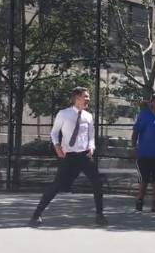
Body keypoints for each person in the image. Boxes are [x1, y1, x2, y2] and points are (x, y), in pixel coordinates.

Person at [30, 87, 107, 227]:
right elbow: (54, 133)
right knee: (57, 185)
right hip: (69, 156)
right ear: (77, 98)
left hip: (85, 156)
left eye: (88, 97)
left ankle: (100, 215)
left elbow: (91, 136)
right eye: (86, 96)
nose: (88, 99)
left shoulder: (88, 116)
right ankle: (36, 215)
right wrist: (57, 147)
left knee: (97, 183)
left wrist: (92, 147)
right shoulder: (63, 114)